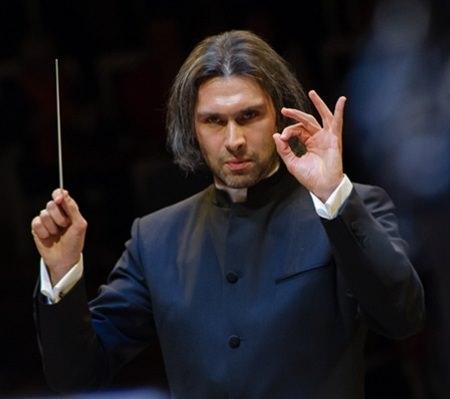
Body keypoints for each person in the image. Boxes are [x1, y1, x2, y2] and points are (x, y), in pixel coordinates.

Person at [31, 29, 425, 399]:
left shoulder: (350, 207)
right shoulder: (156, 238)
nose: (234, 140)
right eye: (214, 121)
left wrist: (334, 196)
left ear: (279, 115)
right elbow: (76, 376)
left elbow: (401, 318)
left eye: (249, 116)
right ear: (193, 127)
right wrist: (61, 272)